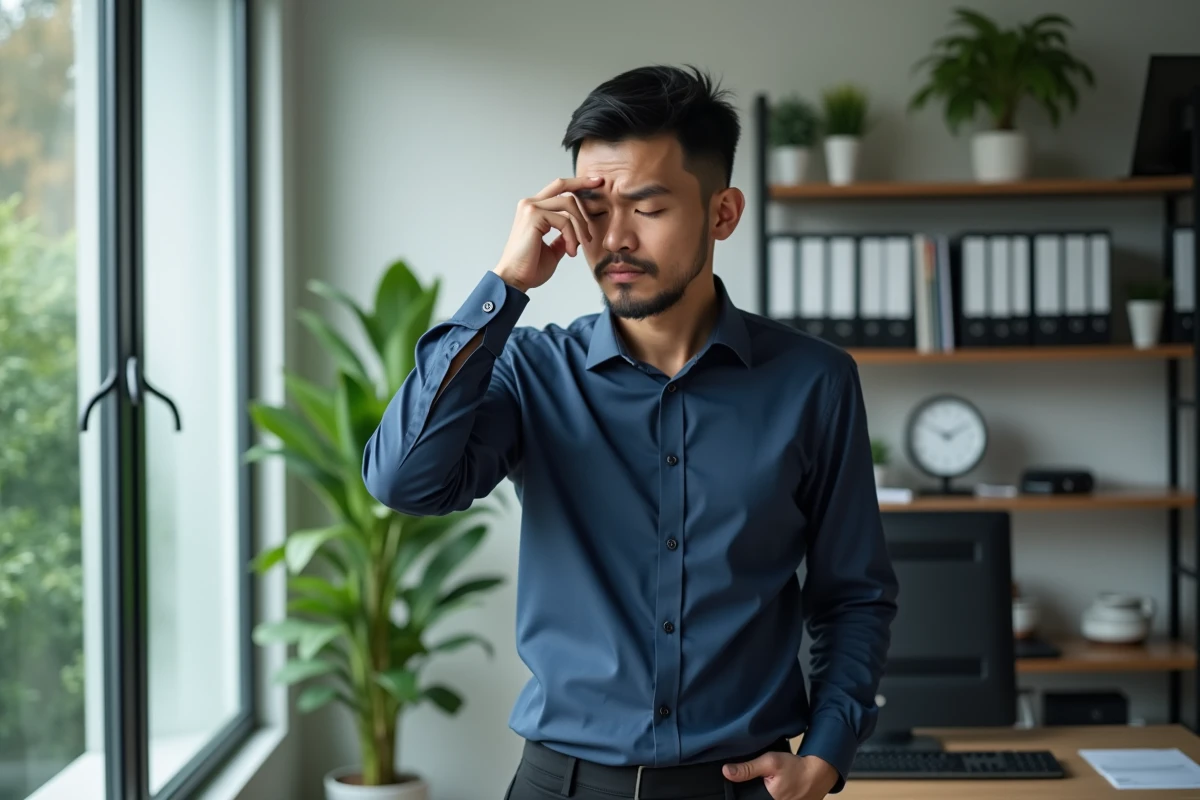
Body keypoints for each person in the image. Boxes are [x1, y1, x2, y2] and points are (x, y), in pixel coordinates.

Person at [363, 65, 898, 800]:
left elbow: (854, 595)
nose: (614, 240)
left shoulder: (815, 382)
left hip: (743, 785)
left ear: (723, 213)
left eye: (648, 207)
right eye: (593, 209)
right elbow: (404, 481)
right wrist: (507, 286)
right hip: (563, 784)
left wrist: (828, 752)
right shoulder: (531, 369)